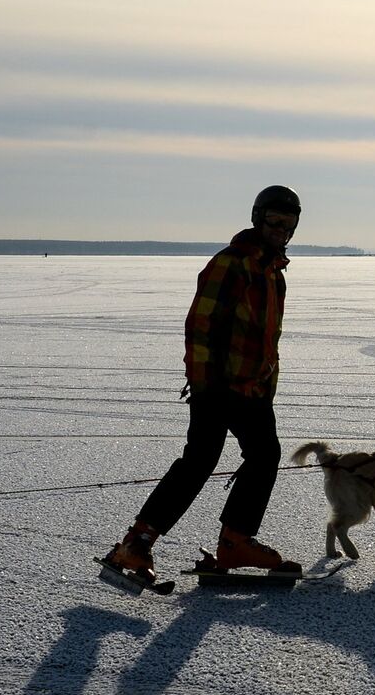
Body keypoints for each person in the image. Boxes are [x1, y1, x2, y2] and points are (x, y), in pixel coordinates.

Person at [103, 185, 304, 579]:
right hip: (218, 384)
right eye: (274, 221)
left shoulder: (273, 273)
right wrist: (205, 382)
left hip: (254, 388)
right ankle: (138, 543)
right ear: (257, 219)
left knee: (262, 455)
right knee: (205, 460)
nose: (281, 229)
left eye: (289, 223)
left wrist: (264, 381)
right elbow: (200, 325)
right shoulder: (231, 264)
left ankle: (233, 542)